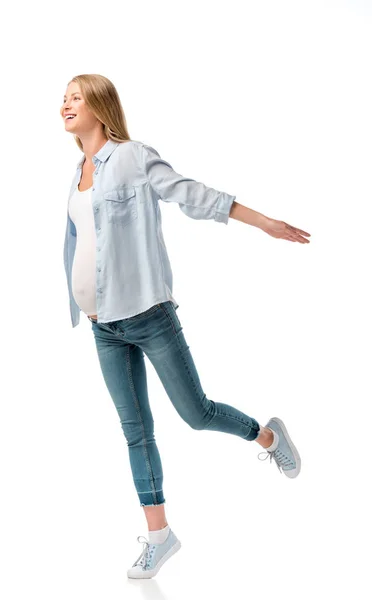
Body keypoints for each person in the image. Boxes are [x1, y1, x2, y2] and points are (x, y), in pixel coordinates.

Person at [61, 74, 311, 579]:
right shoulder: (76, 172)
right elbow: (79, 240)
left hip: (149, 315)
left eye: (75, 96)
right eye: (62, 97)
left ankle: (266, 436)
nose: (64, 103)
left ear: (100, 106)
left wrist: (261, 221)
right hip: (102, 325)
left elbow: (189, 194)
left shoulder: (131, 156)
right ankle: (160, 536)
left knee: (196, 414)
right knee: (136, 432)